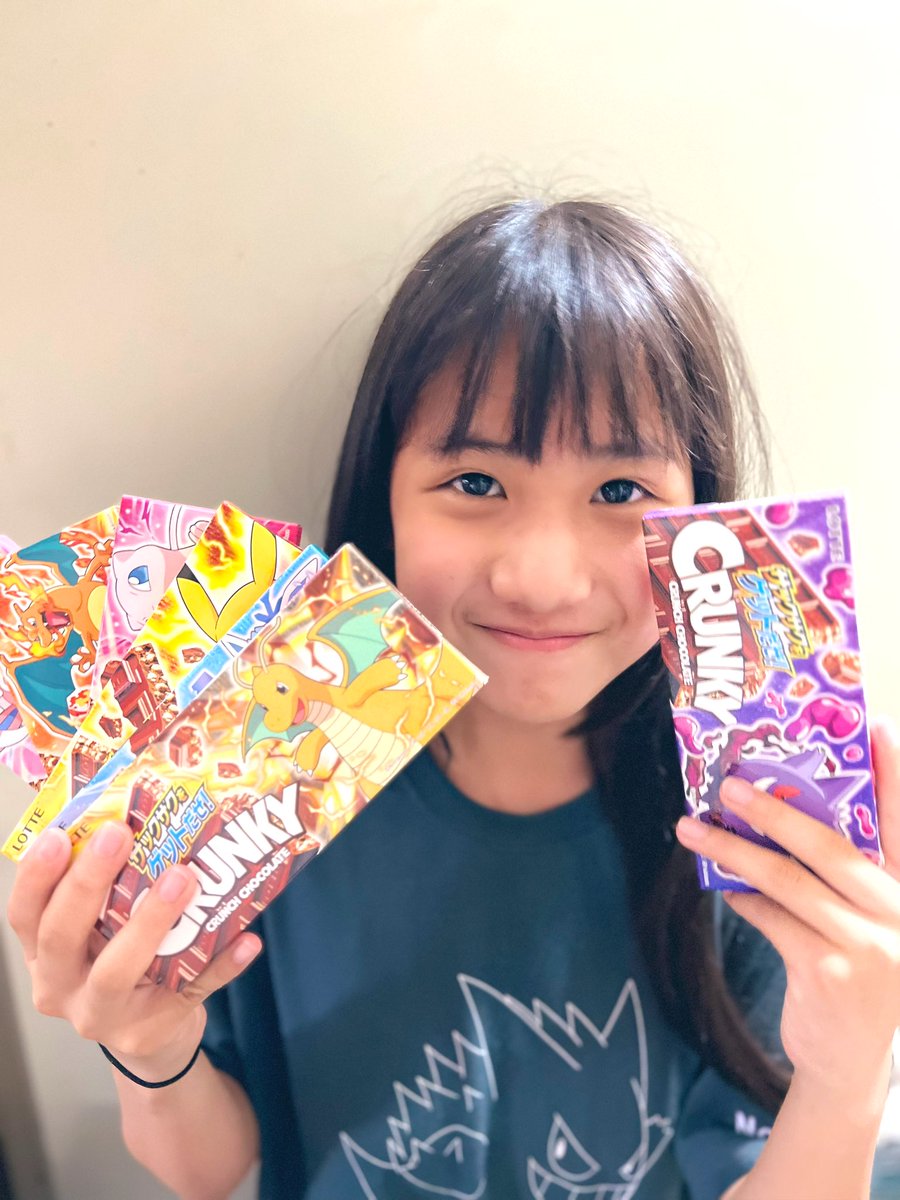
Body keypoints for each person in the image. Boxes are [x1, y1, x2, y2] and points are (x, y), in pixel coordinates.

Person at [7, 199, 900, 1200]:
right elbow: (210, 1170)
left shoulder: (752, 821)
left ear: (702, 521)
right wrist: (149, 1044)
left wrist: (848, 1077)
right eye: (476, 482)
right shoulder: (257, 773)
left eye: (620, 492)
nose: (543, 579)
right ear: (384, 501)